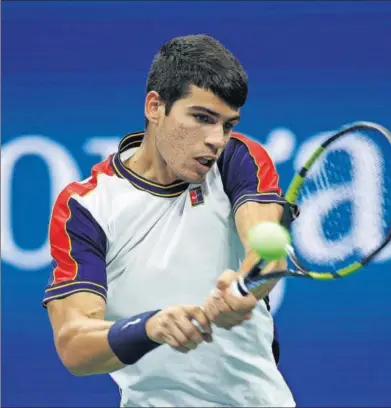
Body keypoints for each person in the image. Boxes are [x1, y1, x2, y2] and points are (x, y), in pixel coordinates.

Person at [43, 34, 296, 407]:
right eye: (201, 118)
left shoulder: (238, 160)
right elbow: (74, 344)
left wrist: (244, 289)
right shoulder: (87, 207)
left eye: (227, 125)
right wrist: (150, 328)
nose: (216, 140)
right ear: (155, 106)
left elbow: (266, 250)